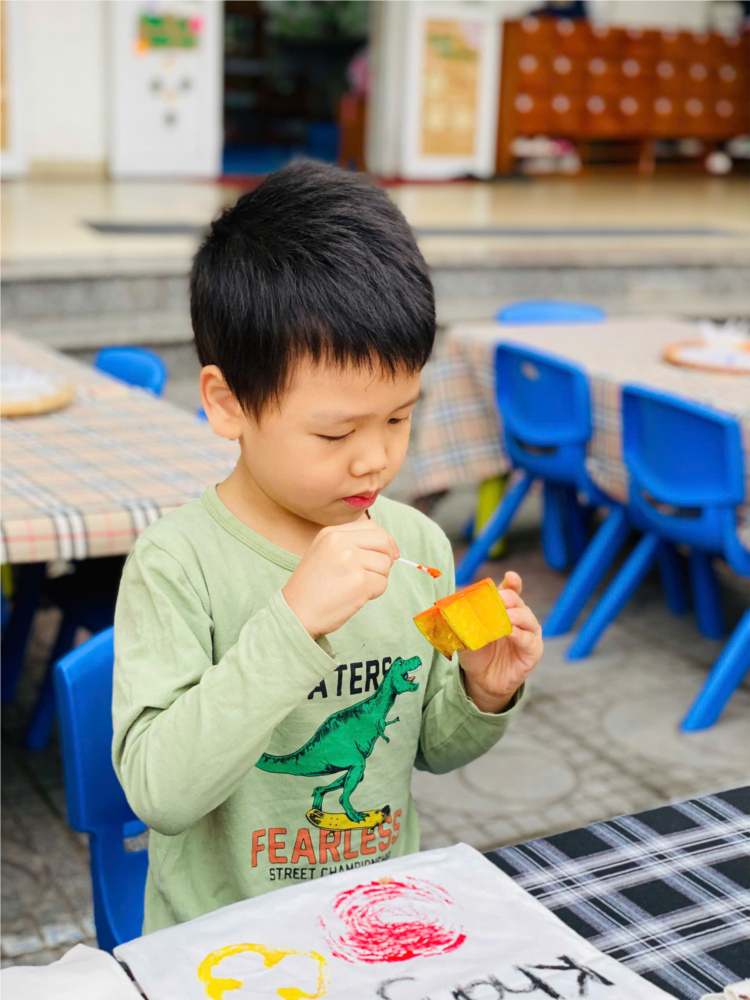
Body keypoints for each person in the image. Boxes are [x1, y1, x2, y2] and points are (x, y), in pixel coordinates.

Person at [112, 160, 543, 933]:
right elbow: (160, 794)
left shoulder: (416, 543)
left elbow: (427, 748)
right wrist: (292, 622)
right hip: (224, 941)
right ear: (227, 404)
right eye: (336, 433)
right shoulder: (177, 564)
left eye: (399, 418)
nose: (375, 459)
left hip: (374, 920)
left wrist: (483, 691)